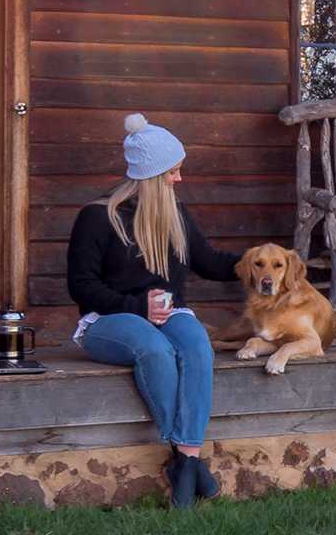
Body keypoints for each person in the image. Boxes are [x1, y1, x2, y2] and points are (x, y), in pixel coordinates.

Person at [67, 112, 245, 506]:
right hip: (108, 319)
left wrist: (262, 263)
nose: (178, 180)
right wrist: (135, 305)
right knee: (153, 347)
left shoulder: (174, 215)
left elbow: (210, 261)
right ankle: (188, 463)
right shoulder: (98, 218)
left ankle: (185, 461)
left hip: (168, 313)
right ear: (152, 175)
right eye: (173, 172)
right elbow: (81, 286)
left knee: (197, 344)